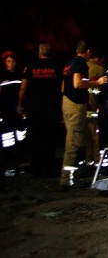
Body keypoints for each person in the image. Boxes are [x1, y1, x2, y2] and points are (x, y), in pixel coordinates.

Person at [60, 41, 108, 189]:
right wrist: (97, 83)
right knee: (74, 142)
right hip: (75, 106)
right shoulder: (81, 63)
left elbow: (63, 87)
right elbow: (77, 83)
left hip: (67, 103)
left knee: (75, 140)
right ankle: (67, 180)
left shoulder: (69, 63)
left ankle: (69, 177)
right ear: (88, 51)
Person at [18, 43, 63, 178]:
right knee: (50, 140)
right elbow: (62, 88)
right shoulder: (58, 67)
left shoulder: (30, 67)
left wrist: (20, 105)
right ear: (52, 53)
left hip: (35, 109)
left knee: (36, 140)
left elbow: (23, 88)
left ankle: (36, 170)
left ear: (39, 53)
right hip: (52, 109)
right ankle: (49, 169)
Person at [0, 50, 25, 174]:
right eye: (8, 61)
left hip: (18, 110)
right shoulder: (2, 75)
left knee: (21, 137)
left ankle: (18, 164)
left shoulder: (20, 74)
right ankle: (8, 165)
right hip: (6, 111)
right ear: (5, 62)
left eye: (13, 61)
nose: (11, 63)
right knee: (7, 139)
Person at [85, 50, 106, 166]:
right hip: (95, 107)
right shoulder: (99, 69)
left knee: (87, 137)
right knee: (96, 136)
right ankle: (98, 163)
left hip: (83, 108)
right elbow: (105, 88)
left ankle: (89, 162)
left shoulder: (82, 66)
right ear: (98, 59)